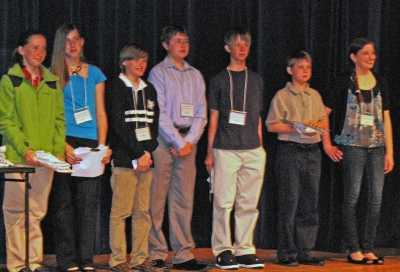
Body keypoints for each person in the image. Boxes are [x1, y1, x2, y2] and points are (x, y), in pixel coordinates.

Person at [322, 38, 394, 265]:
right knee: (352, 198)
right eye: (366, 53)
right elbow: (325, 113)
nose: (371, 57)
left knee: (376, 199)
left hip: (376, 147)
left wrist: (389, 152)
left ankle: (369, 247)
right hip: (352, 147)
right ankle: (354, 249)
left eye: (373, 53)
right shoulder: (343, 81)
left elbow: (386, 118)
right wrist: (327, 144)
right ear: (354, 57)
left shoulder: (380, 80)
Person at [0, 29, 66, 272]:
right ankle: (18, 265)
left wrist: (57, 151)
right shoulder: (11, 81)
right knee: (16, 213)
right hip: (19, 158)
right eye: (34, 47)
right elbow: (6, 121)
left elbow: (60, 120)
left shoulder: (51, 81)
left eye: (43, 48)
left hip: (45, 160)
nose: (39, 52)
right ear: (21, 50)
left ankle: (34, 263)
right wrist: (25, 150)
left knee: (37, 213)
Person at [49, 24, 111, 272]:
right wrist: (61, 144)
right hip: (63, 141)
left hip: (90, 144)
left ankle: (86, 260)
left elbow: (100, 112)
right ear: (59, 45)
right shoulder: (52, 73)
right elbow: (49, 115)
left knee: (87, 205)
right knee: (63, 204)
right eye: (66, 41)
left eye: (75, 39)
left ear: (83, 42)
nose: (72, 45)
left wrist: (103, 146)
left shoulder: (94, 73)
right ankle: (67, 260)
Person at [147, 25, 208, 271]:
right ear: (165, 45)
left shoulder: (195, 74)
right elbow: (158, 113)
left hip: (187, 144)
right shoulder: (158, 72)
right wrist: (178, 142)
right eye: (177, 40)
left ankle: (183, 254)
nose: (182, 45)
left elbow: (201, 113)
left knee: (184, 200)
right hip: (164, 141)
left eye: (186, 40)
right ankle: (156, 252)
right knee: (156, 199)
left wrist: (189, 142)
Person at [204, 28, 266, 270]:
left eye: (246, 45)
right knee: (223, 202)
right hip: (225, 149)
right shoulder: (219, 80)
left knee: (248, 203)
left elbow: (257, 116)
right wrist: (209, 152)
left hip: (253, 149)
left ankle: (245, 249)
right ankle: (222, 250)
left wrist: (260, 146)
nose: (242, 48)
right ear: (227, 48)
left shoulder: (257, 80)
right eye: (237, 44)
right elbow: (214, 117)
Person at [266, 51, 326, 267]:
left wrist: (316, 130)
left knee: (309, 203)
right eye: (300, 67)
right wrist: (297, 129)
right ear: (290, 70)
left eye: (308, 67)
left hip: (312, 152)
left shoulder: (315, 96)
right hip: (290, 150)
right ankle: (287, 252)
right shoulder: (282, 95)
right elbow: (272, 125)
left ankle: (305, 250)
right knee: (289, 202)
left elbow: (322, 122)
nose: (305, 71)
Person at [106, 43, 160, 272]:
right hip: (124, 159)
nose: (141, 64)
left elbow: (153, 126)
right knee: (120, 213)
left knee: (142, 213)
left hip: (145, 160)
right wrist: (138, 155)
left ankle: (139, 259)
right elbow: (118, 126)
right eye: (136, 60)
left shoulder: (150, 89)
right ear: (124, 61)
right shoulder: (115, 87)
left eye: (144, 61)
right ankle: (118, 260)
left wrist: (147, 153)